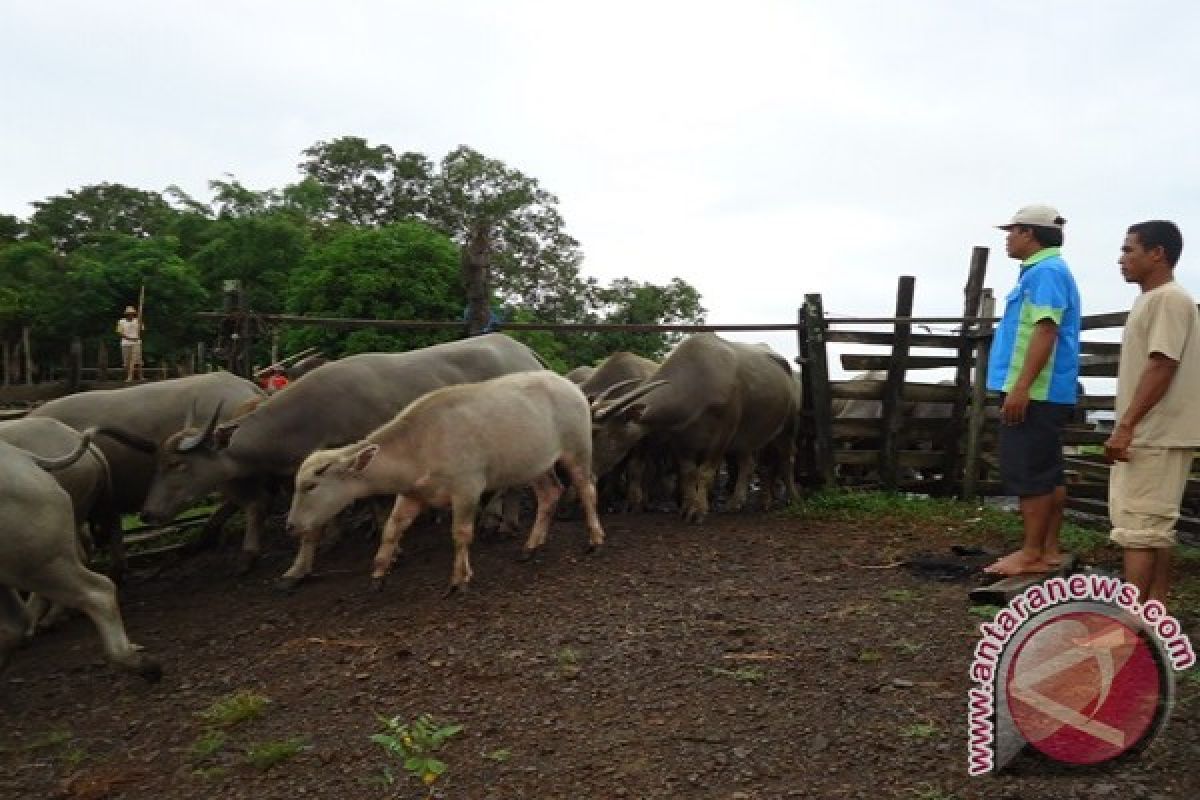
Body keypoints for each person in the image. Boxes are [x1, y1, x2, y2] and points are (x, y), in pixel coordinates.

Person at [1104, 220, 1200, 605]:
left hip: (1154, 433)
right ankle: (1154, 617)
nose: (1121, 258)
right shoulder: (1154, 299)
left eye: (1129, 250)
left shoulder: (1169, 299)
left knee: (1140, 528)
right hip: (1154, 431)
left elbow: (1162, 363)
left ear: (1157, 253)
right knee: (1154, 528)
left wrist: (1126, 425)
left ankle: (1130, 628)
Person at [984, 204, 1082, 576]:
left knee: (1030, 474)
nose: (1008, 238)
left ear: (1030, 233)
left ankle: (1031, 553)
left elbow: (1045, 329)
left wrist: (1021, 387)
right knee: (1047, 471)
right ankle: (1049, 549)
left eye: (1013, 231)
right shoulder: (1044, 272)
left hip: (1035, 390)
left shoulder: (1045, 272)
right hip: (1045, 390)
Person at [115, 305, 143, 382]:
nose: (130, 315)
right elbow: (119, 332)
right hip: (125, 343)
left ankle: (134, 377)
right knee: (126, 362)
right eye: (129, 313)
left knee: (136, 361)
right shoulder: (121, 321)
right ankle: (128, 376)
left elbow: (141, 330)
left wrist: (140, 324)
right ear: (126, 314)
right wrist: (129, 338)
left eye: (131, 313)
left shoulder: (137, 320)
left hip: (136, 343)